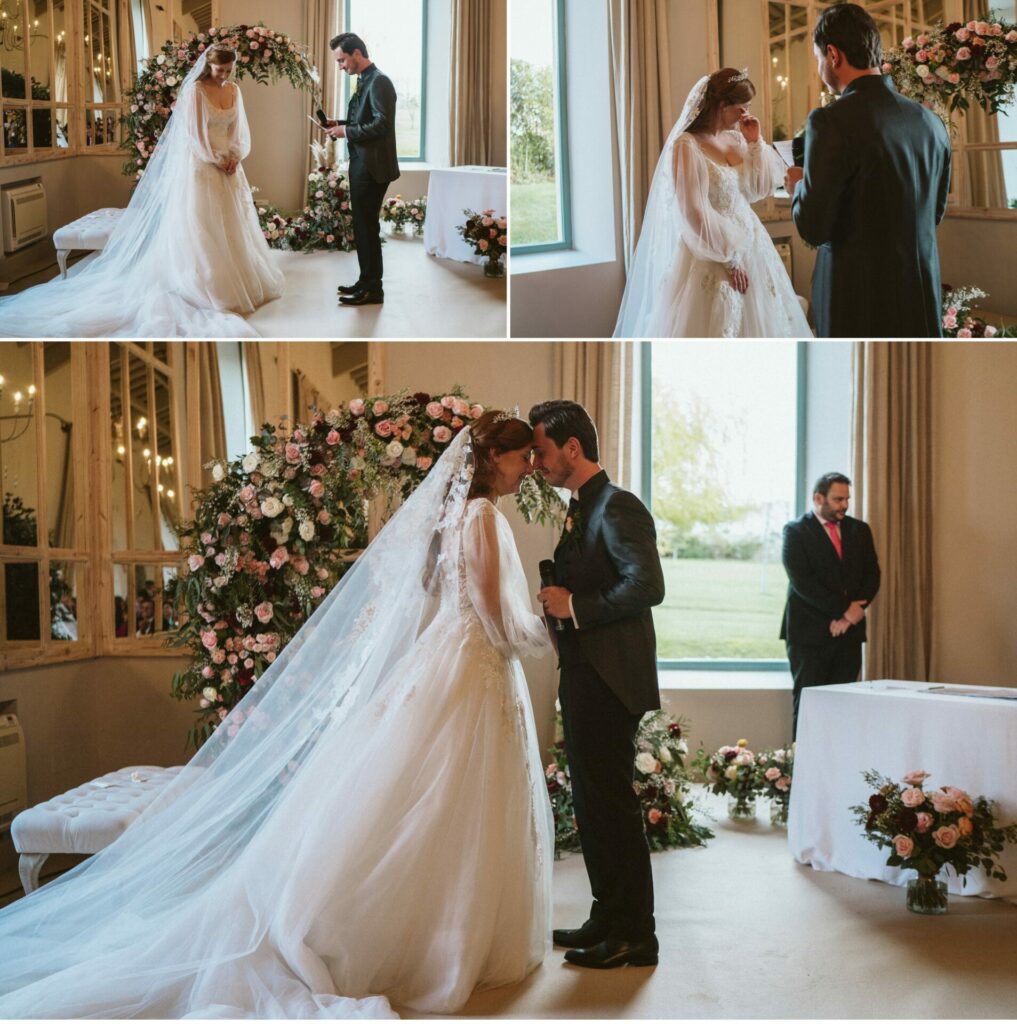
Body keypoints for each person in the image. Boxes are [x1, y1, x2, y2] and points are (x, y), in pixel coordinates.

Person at [0, 414, 553, 1018]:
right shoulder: (483, 517)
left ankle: (423, 924)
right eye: (523, 456)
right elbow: (495, 615)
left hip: (448, 658)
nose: (529, 468)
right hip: (471, 665)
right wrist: (542, 630)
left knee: (429, 797)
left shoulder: (453, 517)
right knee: (454, 798)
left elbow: (448, 597)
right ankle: (433, 936)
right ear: (493, 457)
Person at [0, 45, 283, 339]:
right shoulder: (196, 91)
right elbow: (195, 135)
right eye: (219, 71)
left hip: (230, 167)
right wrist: (216, 159)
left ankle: (238, 279)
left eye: (228, 71)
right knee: (203, 225)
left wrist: (235, 156)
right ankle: (206, 284)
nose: (224, 76)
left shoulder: (235, 90)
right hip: (203, 165)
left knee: (231, 225)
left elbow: (239, 130)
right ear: (208, 67)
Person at [531, 400, 664, 970]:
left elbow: (648, 585)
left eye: (541, 452)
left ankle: (637, 935)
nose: (536, 463)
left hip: (612, 681)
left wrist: (574, 606)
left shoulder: (618, 506)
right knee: (591, 804)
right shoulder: (582, 507)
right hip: (586, 675)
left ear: (572, 449)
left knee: (611, 806)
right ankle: (607, 915)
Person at [785, 3, 951, 338]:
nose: (820, 67)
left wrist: (798, 187)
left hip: (858, 303)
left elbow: (814, 228)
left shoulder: (829, 120)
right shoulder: (931, 122)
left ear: (833, 54)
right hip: (921, 299)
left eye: (818, 58)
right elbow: (934, 212)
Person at [614, 67, 812, 339]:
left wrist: (755, 142)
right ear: (721, 106)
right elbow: (692, 210)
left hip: (753, 245)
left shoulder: (736, 138)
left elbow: (756, 190)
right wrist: (728, 257)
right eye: (741, 108)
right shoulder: (687, 145)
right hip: (711, 250)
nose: (745, 114)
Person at [780, 472, 881, 738]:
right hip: (809, 635)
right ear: (818, 498)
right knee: (809, 705)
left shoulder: (860, 530)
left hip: (849, 635)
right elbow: (803, 582)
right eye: (838, 499)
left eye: (847, 499)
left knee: (844, 706)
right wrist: (842, 611)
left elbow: (873, 575)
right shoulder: (795, 531)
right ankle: (802, 774)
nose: (844, 505)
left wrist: (850, 617)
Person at [327, 33, 399, 307]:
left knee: (367, 227)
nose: (341, 65)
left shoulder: (379, 81)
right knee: (362, 226)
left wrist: (346, 131)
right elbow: (365, 119)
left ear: (357, 53)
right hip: (361, 163)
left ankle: (373, 289)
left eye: (342, 59)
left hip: (373, 166)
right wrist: (340, 123)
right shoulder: (364, 80)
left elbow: (383, 125)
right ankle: (366, 281)